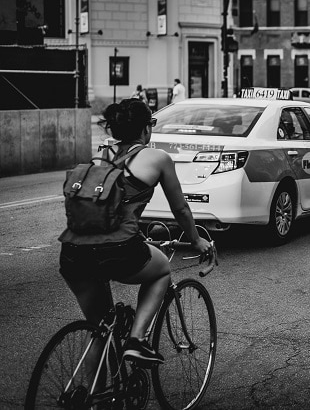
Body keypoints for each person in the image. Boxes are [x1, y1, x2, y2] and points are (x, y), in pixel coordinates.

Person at [58, 98, 213, 364]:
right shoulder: (157, 158)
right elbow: (181, 210)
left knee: (99, 329)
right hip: (118, 249)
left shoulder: (99, 156)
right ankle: (137, 340)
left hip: (73, 251)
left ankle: (92, 399)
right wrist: (196, 240)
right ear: (145, 128)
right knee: (162, 267)